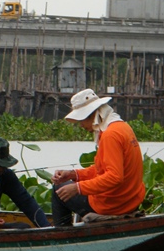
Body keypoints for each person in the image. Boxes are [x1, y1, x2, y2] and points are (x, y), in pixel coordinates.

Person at [51, 89, 145, 227]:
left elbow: (114, 177)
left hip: (113, 205)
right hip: (130, 201)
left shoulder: (110, 136)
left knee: (58, 190)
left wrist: (77, 188)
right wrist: (74, 174)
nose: (81, 125)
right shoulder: (122, 127)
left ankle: (61, 238)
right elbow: (103, 169)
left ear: (92, 115)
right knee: (66, 186)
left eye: (81, 120)